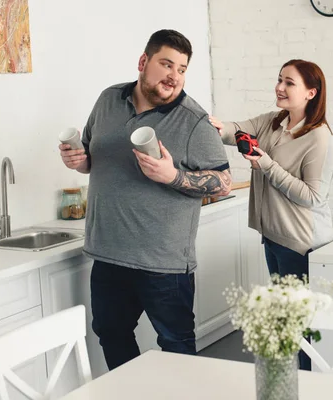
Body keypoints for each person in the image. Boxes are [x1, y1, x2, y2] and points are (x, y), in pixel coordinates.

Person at [58, 29, 232, 370]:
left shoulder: (194, 120)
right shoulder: (108, 99)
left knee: (176, 343)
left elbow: (224, 182)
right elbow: (93, 159)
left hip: (163, 262)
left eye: (181, 69)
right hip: (108, 254)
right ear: (143, 62)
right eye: (167, 64)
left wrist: (174, 176)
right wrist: (78, 161)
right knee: (111, 333)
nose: (174, 76)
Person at [209, 59, 333, 370]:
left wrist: (265, 164)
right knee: (288, 319)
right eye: (279, 79)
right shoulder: (273, 122)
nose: (279, 87)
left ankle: (309, 383)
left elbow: (313, 196)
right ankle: (292, 381)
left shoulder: (318, 137)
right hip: (274, 237)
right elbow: (236, 130)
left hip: (301, 243)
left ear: (310, 93)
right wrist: (211, 124)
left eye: (289, 83)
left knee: (302, 323)